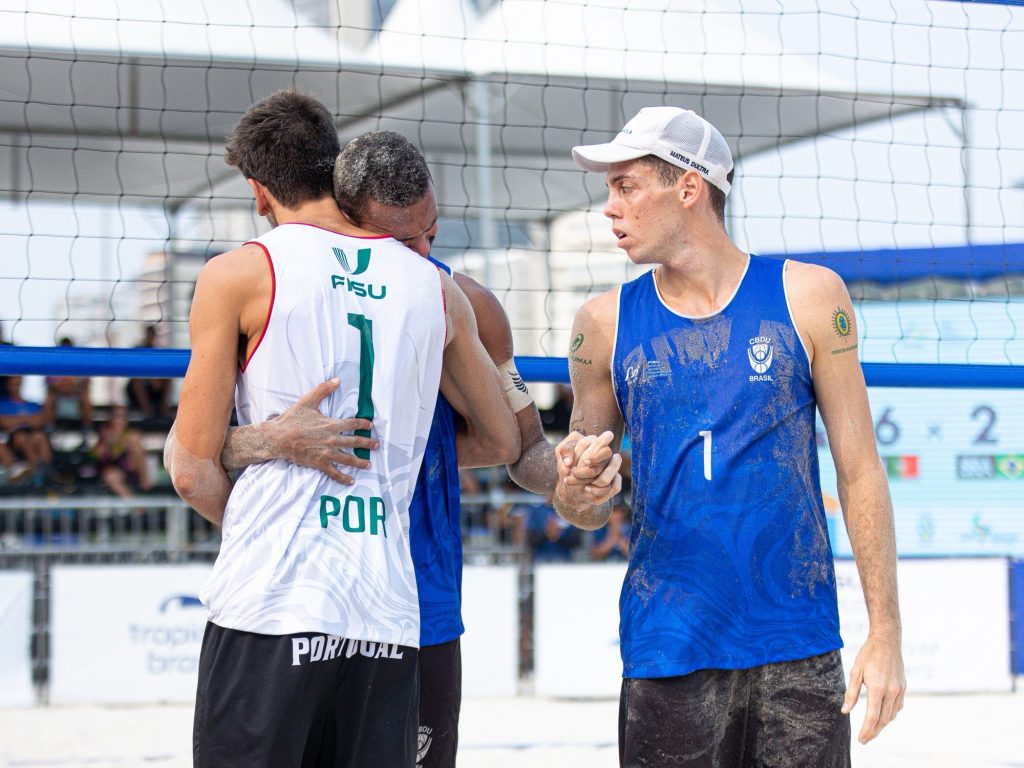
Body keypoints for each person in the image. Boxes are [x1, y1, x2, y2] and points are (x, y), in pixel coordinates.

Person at [207, 127, 622, 768]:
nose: (424, 249)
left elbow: (523, 448)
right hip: (301, 587)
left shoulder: (465, 301)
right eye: (406, 240)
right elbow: (195, 451)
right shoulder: (282, 285)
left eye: (433, 230)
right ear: (350, 217)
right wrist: (277, 441)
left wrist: (565, 474)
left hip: (414, 599)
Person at [164, 90, 522, 768]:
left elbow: (188, 464)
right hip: (385, 607)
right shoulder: (433, 287)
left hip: (271, 600)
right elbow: (503, 437)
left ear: (258, 189)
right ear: (333, 168)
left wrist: (257, 501)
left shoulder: (239, 273)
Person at [557, 106, 905, 766]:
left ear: (688, 188)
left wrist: (884, 631)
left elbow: (859, 470)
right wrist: (575, 488)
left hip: (796, 643)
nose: (608, 207)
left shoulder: (808, 295)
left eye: (625, 185)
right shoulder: (600, 324)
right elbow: (582, 505)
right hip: (668, 644)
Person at [91, 404, 152, 498]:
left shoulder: (132, 434)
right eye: (116, 416)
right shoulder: (105, 433)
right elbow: (95, 456)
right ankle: (137, 507)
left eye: (123, 416)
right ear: (111, 418)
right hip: (114, 469)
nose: (119, 420)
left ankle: (144, 479)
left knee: (134, 440)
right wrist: (107, 443)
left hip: (131, 468)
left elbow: (139, 454)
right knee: (110, 476)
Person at [43, 337, 95, 432]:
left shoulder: (79, 365)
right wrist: (66, 387)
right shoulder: (53, 365)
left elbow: (86, 383)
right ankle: (49, 427)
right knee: (49, 397)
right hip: (58, 397)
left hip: (76, 397)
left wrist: (69, 388)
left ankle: (87, 427)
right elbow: (49, 384)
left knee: (85, 397)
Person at [125, 325, 172, 422]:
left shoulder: (159, 350)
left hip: (153, 388)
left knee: (168, 379)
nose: (151, 337)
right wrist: (150, 378)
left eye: (153, 335)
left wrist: (155, 379)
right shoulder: (138, 348)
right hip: (137, 391)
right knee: (137, 381)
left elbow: (163, 371)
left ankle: (164, 410)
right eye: (150, 335)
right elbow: (133, 371)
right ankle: (147, 412)